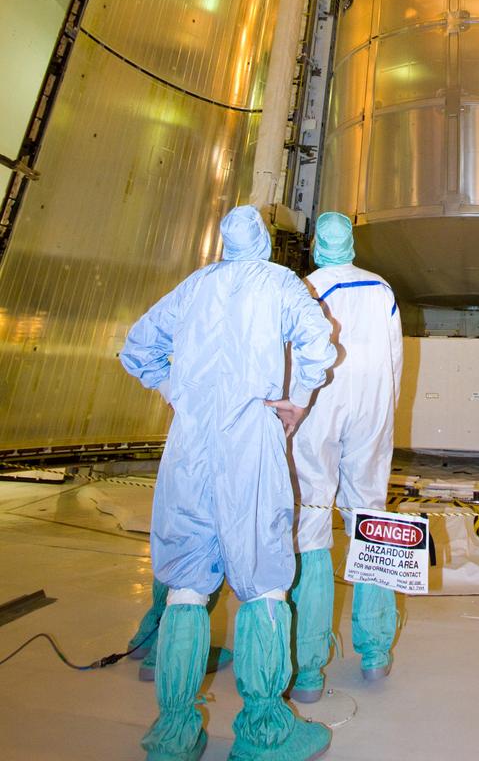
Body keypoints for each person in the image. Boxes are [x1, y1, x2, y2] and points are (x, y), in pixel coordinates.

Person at [120, 204, 336, 761]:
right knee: (263, 578)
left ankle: (174, 733)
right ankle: (265, 729)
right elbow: (319, 344)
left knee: (187, 584)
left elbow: (137, 348)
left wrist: (173, 390)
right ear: (263, 241)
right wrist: (299, 402)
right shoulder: (280, 284)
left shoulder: (194, 286)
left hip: (188, 448)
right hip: (250, 447)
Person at [281, 211, 402, 703]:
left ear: (316, 246)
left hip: (316, 413)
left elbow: (293, 358)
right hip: (372, 413)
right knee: (370, 517)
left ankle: (307, 668)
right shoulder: (382, 289)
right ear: (352, 244)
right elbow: (395, 360)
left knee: (310, 520)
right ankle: (375, 653)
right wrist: (383, 418)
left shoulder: (305, 289)